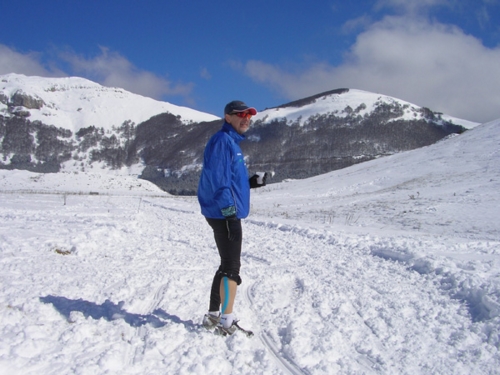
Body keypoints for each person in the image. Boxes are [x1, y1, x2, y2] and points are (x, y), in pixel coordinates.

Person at [197, 100, 267, 335]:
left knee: (226, 264)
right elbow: (218, 181)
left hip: (225, 210)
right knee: (231, 268)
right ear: (228, 117)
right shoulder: (222, 141)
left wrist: (249, 184)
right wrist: (228, 210)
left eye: (248, 115)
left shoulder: (231, 143)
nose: (246, 118)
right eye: (240, 115)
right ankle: (226, 323)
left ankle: (214, 315)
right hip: (224, 213)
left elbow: (229, 180)